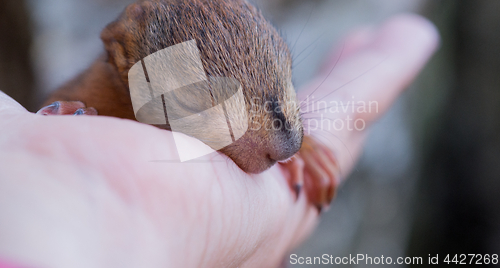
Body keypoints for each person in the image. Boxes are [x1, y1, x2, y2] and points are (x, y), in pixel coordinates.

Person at [0, 14, 438, 268]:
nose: (280, 151)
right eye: (211, 100)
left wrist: (303, 147)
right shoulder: (88, 104)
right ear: (129, 64)